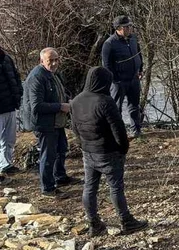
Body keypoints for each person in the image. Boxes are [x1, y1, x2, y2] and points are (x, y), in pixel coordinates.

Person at [71, 66, 148, 237]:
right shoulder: (105, 101)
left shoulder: (76, 101)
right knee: (115, 188)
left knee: (89, 187)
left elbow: (75, 128)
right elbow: (118, 129)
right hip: (108, 152)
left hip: (88, 151)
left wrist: (84, 145)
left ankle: (94, 224)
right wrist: (123, 149)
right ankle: (126, 221)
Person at [23, 48, 78, 198]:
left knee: (61, 149)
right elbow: (37, 106)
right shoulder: (37, 77)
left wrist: (68, 101)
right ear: (42, 61)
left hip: (57, 121)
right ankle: (47, 188)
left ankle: (60, 177)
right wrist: (60, 106)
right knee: (48, 155)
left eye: (56, 60)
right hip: (44, 123)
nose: (54, 63)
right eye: (50, 61)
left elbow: (58, 93)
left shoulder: (53, 74)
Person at [101, 15, 144, 138]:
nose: (129, 28)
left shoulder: (133, 38)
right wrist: (115, 80)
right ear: (118, 28)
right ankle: (118, 133)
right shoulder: (109, 44)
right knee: (116, 108)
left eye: (130, 26)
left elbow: (138, 54)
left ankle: (136, 131)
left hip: (134, 78)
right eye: (126, 26)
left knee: (134, 106)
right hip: (118, 82)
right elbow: (106, 65)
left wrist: (140, 69)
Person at [0, 45, 22, 176]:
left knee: (9, 138)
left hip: (10, 105)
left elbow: (16, 76)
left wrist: (19, 93)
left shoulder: (6, 58)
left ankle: (6, 165)